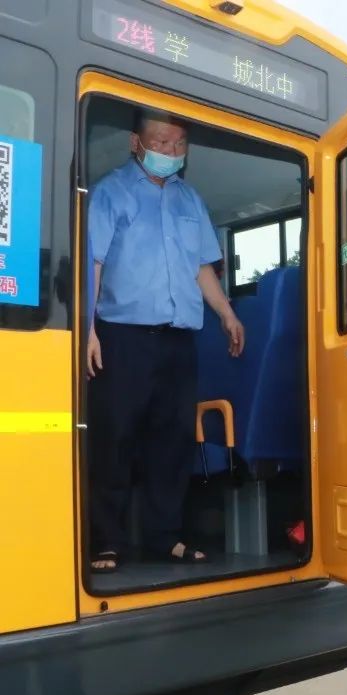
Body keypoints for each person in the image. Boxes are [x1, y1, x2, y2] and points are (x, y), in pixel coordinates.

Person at [87, 108, 245, 573]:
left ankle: (165, 538)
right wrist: (88, 327)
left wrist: (227, 313)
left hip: (178, 341)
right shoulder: (110, 193)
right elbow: (93, 261)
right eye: (160, 143)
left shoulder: (190, 200)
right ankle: (106, 541)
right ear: (137, 143)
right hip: (121, 336)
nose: (170, 152)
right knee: (114, 439)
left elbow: (202, 267)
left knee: (171, 442)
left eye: (178, 144)